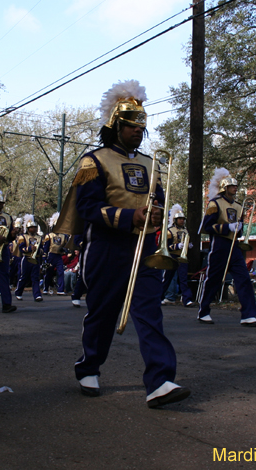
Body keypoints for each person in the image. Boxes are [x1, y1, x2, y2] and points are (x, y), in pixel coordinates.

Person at [56, 80, 189, 408]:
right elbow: (87, 208)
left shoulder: (150, 164)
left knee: (149, 311)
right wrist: (129, 216)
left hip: (143, 248)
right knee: (102, 312)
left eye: (140, 126)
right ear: (115, 125)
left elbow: (157, 199)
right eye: (130, 125)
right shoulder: (93, 161)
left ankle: (159, 380)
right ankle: (89, 366)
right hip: (105, 246)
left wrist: (155, 213)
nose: (136, 131)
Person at [197, 168, 256, 326]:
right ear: (225, 187)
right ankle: (203, 311)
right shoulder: (215, 203)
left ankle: (248, 314)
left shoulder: (239, 206)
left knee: (244, 278)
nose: (235, 188)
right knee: (213, 279)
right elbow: (207, 226)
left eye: (236, 186)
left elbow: (240, 227)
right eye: (232, 186)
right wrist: (227, 228)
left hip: (234, 246)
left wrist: (238, 229)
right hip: (219, 244)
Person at [160, 204, 195, 307]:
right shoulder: (169, 231)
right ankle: (159, 297)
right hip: (172, 257)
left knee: (183, 279)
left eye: (183, 219)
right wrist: (176, 246)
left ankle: (187, 299)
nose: (181, 221)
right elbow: (165, 246)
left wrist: (188, 245)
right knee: (167, 278)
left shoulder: (185, 231)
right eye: (179, 219)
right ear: (175, 220)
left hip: (182, 258)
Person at [14, 215, 44, 302]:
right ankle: (18, 292)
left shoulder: (39, 238)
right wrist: (30, 248)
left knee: (35, 277)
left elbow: (42, 249)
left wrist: (39, 251)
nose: (33, 229)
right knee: (24, 276)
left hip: (36, 259)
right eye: (31, 228)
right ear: (28, 228)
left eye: (34, 227)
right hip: (26, 258)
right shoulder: (23, 237)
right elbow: (21, 248)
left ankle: (37, 295)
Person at [42, 212, 69, 295]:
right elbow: (46, 248)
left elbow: (67, 246)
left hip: (58, 256)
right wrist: (44, 258)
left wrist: (64, 249)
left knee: (60, 272)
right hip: (51, 255)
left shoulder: (64, 236)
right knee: (49, 272)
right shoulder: (49, 235)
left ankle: (60, 289)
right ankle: (45, 288)